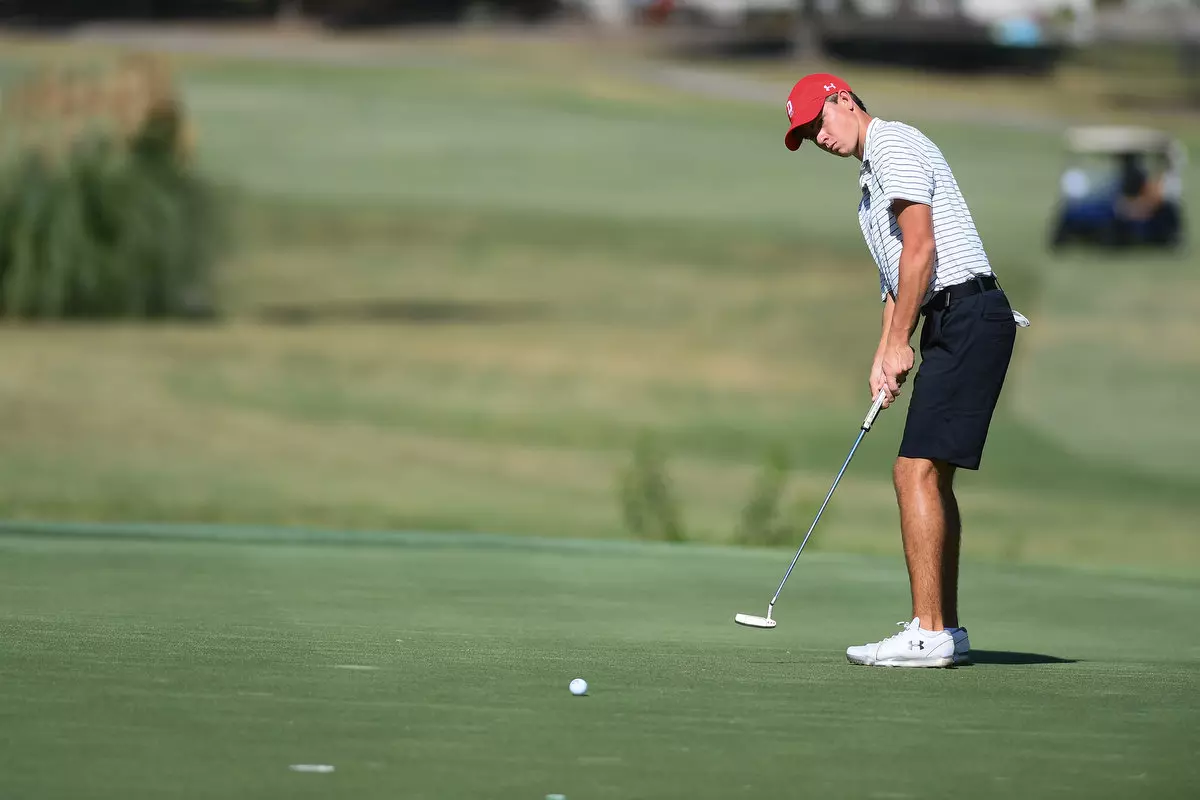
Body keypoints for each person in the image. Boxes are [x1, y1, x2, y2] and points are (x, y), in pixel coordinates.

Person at [782, 73, 1026, 668]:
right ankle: (947, 629)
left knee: (911, 471)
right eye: (807, 133)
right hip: (951, 320)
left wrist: (900, 344)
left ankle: (928, 631)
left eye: (819, 121)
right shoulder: (869, 192)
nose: (818, 137)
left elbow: (923, 249)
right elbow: (898, 279)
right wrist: (883, 353)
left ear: (843, 100)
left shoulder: (893, 144)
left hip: (967, 311)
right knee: (930, 475)